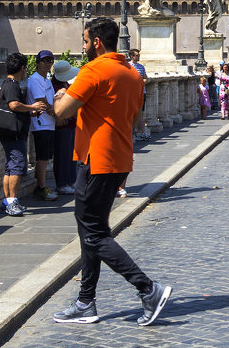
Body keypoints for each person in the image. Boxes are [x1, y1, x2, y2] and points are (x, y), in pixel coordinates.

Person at [50, 17, 172, 327]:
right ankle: (85, 302)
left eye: (85, 39)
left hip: (96, 159)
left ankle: (147, 289)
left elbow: (62, 112)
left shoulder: (94, 70)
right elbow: (133, 117)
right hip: (120, 160)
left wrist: (61, 97)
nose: (82, 45)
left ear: (97, 43)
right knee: (90, 231)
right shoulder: (131, 74)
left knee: (93, 233)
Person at [0, 52, 49, 216]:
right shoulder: (12, 84)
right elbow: (14, 105)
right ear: (22, 68)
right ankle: (12, 202)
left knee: (10, 168)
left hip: (10, 132)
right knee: (17, 167)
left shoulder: (8, 83)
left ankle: (7, 202)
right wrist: (32, 107)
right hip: (14, 133)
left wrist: (29, 112)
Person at [27, 50, 58, 201]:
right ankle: (40, 188)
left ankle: (42, 186)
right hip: (41, 123)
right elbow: (41, 100)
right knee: (42, 157)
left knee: (46, 157)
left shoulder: (46, 79)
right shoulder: (35, 79)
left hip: (49, 123)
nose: (47, 64)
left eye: (50, 61)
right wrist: (55, 113)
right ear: (38, 62)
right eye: (44, 61)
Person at [51, 59, 79, 195]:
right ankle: (62, 183)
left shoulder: (65, 84)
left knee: (71, 155)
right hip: (64, 124)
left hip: (71, 123)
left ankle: (71, 180)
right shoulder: (57, 88)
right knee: (63, 155)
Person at [129, 49, 151, 141]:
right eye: (137, 55)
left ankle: (139, 131)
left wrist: (140, 82)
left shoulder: (141, 67)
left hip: (142, 92)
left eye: (138, 55)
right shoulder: (128, 66)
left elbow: (146, 78)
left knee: (140, 113)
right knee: (132, 113)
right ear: (132, 56)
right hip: (132, 93)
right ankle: (135, 132)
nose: (138, 57)